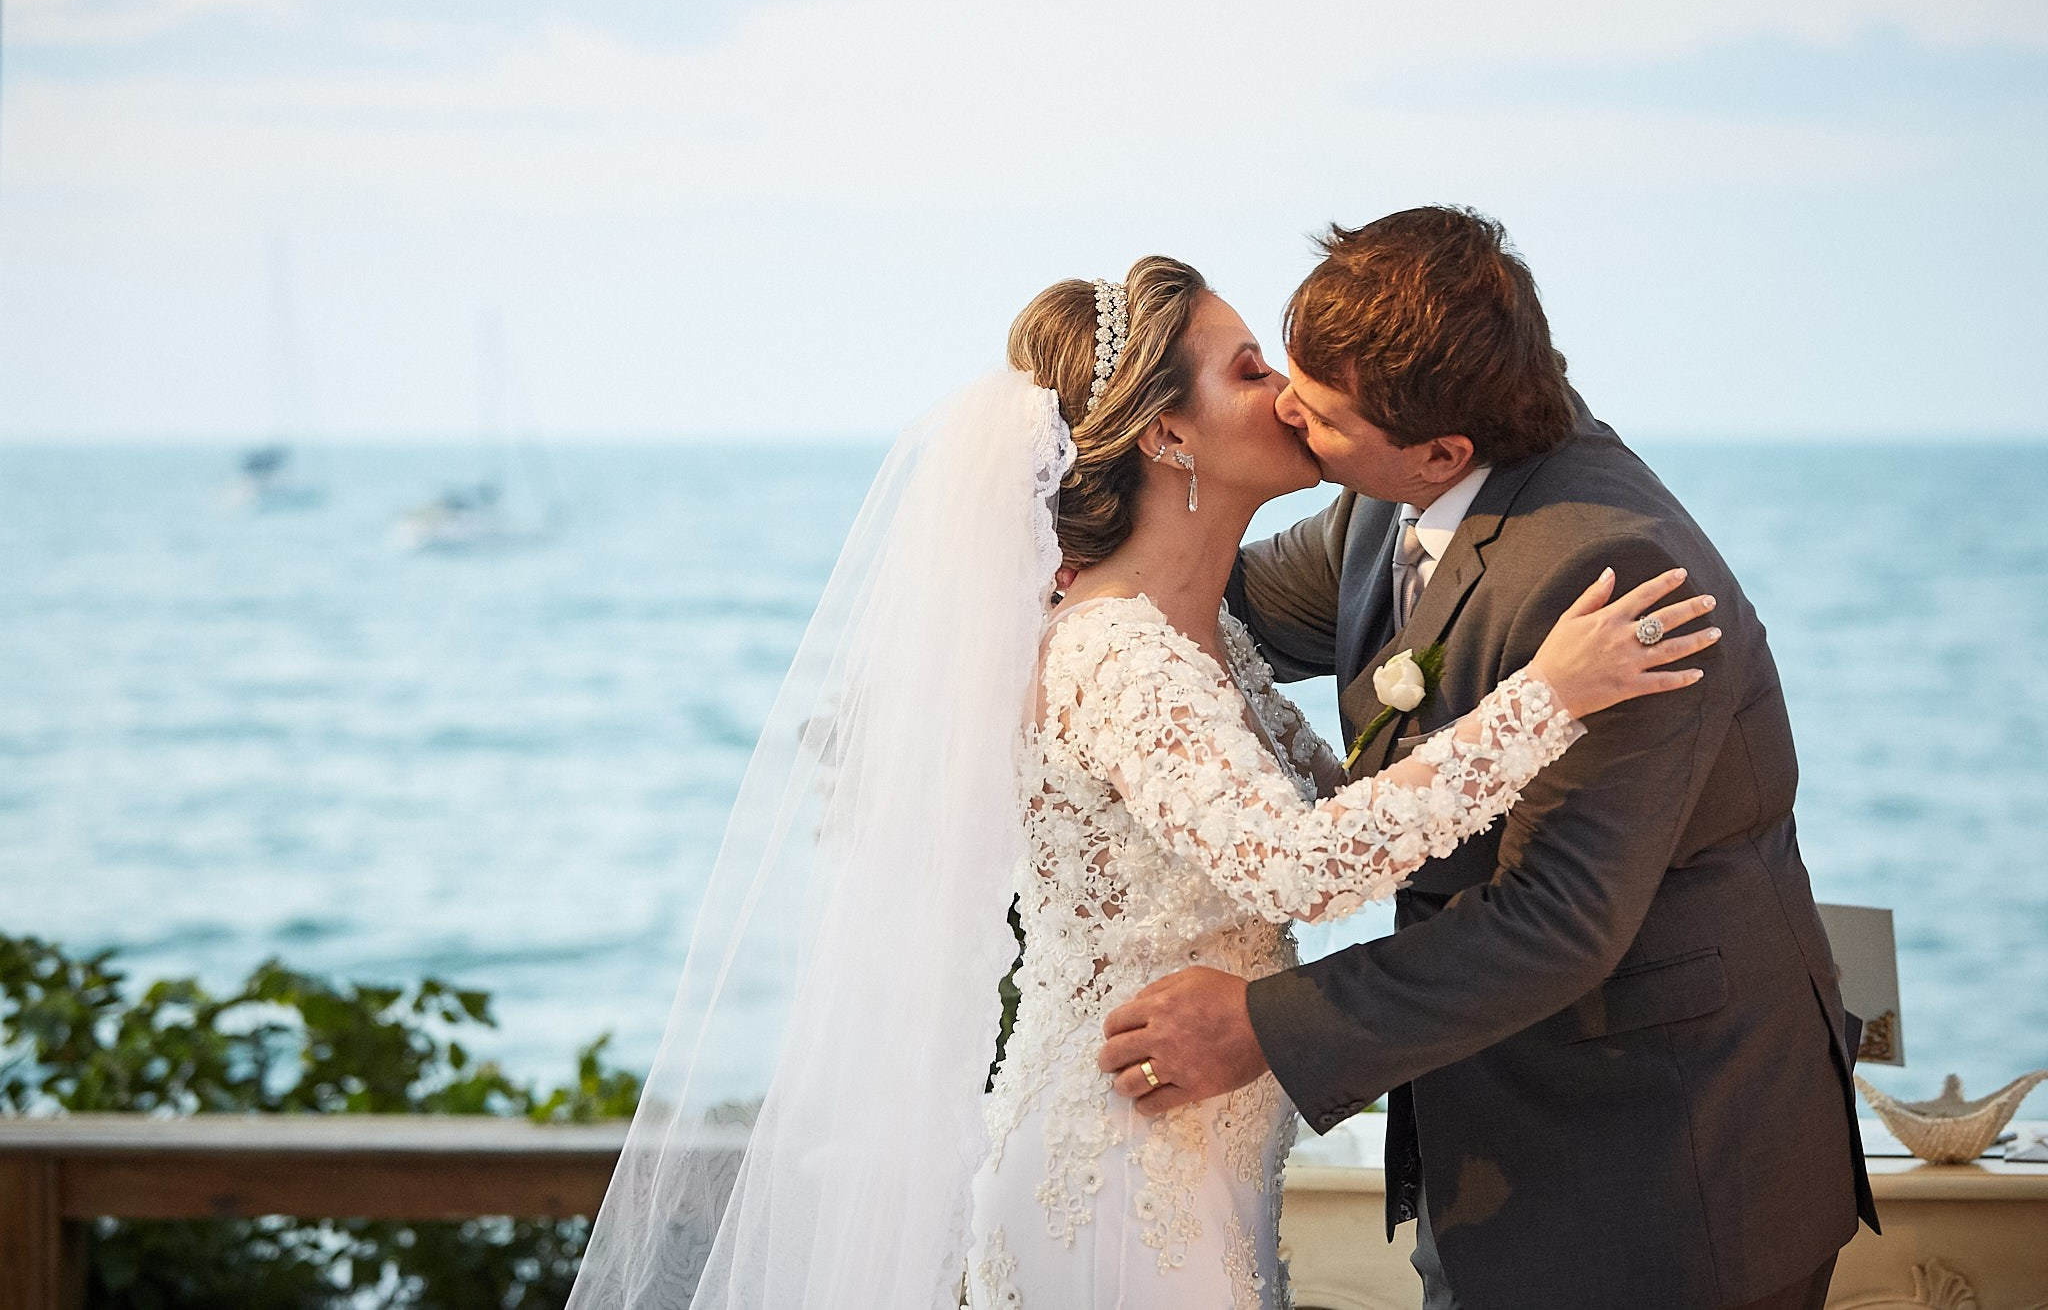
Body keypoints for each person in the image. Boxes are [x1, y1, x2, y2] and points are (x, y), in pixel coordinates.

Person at [565, 254, 1713, 1310]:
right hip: (1117, 1169)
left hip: (1194, 1157)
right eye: (1248, 368)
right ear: (1167, 433)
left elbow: (1334, 815)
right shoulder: (1115, 655)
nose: (1285, 393)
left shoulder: (1198, 632)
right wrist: (1546, 697)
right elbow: (1302, 866)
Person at [1097, 209, 1877, 1310]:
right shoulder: (1388, 496)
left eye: (1314, 413)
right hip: (1493, 1119)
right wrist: (1058, 566)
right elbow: (1220, 610)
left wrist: (1260, 1028)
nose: (1281, 408)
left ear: (1441, 451)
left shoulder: (1615, 574)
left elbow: (1558, 916)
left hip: (1660, 1163)